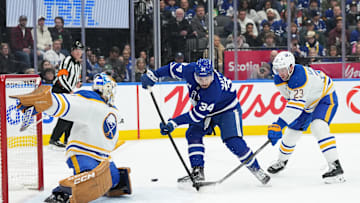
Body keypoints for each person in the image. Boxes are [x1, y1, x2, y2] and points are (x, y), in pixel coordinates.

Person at [141, 58, 271, 185]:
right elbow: (171, 68)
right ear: (195, 74)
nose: (204, 82)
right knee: (193, 133)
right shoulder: (189, 70)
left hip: (227, 109)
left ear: (212, 74)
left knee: (233, 140)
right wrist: (154, 75)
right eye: (200, 78)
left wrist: (173, 123)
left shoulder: (213, 89)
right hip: (207, 110)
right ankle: (198, 171)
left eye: (207, 78)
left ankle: (256, 169)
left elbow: (196, 116)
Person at [10, 73, 131, 202]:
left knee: (115, 179)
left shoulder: (111, 110)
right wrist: (47, 102)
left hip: (103, 156)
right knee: (88, 181)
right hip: (83, 153)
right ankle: (61, 194)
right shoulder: (90, 101)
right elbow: (70, 104)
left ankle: (99, 182)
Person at [266, 51, 345, 184]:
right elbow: (292, 100)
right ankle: (281, 161)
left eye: (283, 69)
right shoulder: (278, 79)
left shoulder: (299, 77)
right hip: (306, 102)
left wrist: (279, 124)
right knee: (291, 133)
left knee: (318, 126)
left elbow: (296, 104)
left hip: (324, 97)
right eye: (278, 70)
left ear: (291, 67)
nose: (281, 73)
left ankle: (335, 166)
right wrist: (285, 123)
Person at [49, 40, 84, 148]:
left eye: (80, 50)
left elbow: (76, 77)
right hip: (59, 89)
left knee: (71, 114)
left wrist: (78, 82)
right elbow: (61, 77)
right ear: (72, 51)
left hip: (67, 90)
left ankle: (66, 139)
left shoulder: (79, 64)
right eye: (76, 50)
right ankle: (55, 138)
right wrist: (69, 89)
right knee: (67, 114)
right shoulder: (67, 60)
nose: (78, 52)